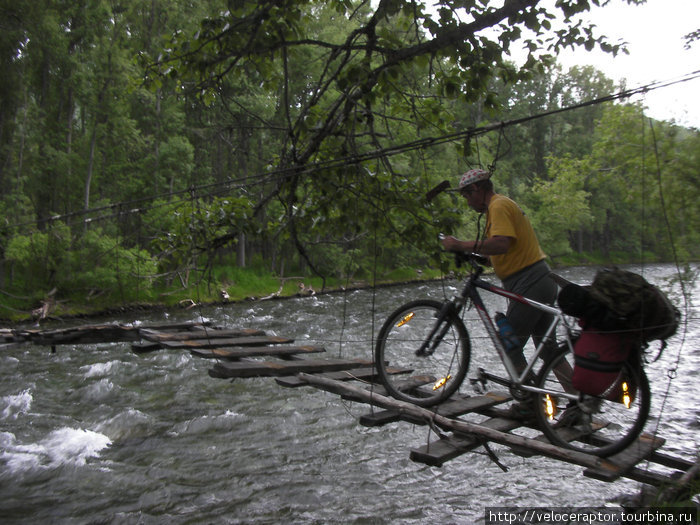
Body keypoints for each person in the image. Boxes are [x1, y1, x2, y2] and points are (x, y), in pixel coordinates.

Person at [441, 168, 558, 382]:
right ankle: (577, 401)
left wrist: (460, 244)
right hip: (540, 280)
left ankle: (530, 403)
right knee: (549, 352)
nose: (468, 202)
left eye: (467, 196)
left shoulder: (498, 205)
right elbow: (503, 250)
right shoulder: (499, 206)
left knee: (508, 344)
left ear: (476, 189)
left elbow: (501, 243)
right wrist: (476, 256)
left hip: (529, 281)